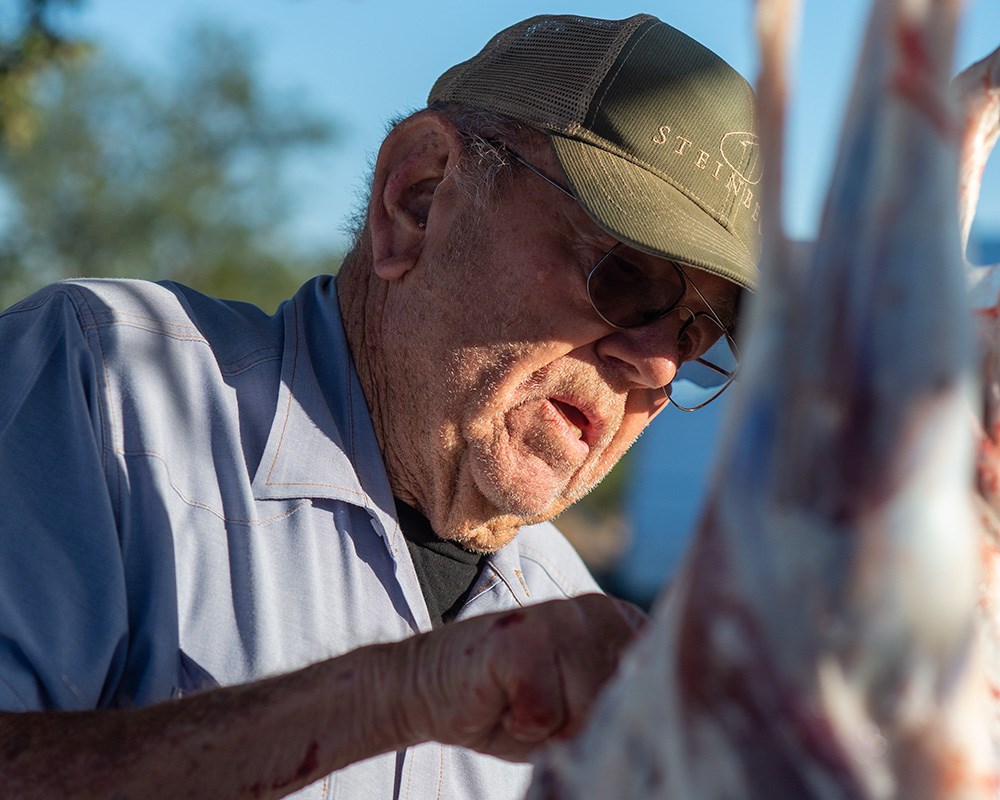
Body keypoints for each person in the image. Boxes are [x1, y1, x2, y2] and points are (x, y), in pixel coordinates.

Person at [0, 12, 760, 800]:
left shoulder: (583, 636)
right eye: (624, 277)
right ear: (419, 199)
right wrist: (395, 696)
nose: (656, 362)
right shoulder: (109, 385)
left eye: (702, 335)